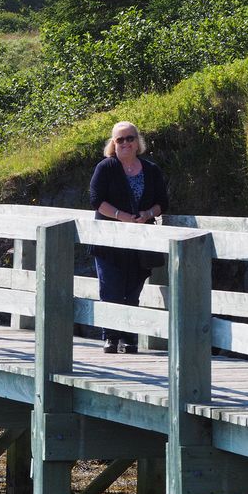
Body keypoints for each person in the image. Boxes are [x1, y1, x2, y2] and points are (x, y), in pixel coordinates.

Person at [89, 121, 169, 354]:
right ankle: (111, 338)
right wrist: (122, 216)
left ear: (137, 141)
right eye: (119, 139)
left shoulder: (151, 170)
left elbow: (162, 203)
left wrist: (147, 214)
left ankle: (129, 338)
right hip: (108, 241)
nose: (125, 143)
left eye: (129, 138)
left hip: (141, 241)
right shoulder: (106, 167)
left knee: (133, 291)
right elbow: (96, 200)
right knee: (111, 289)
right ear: (113, 144)